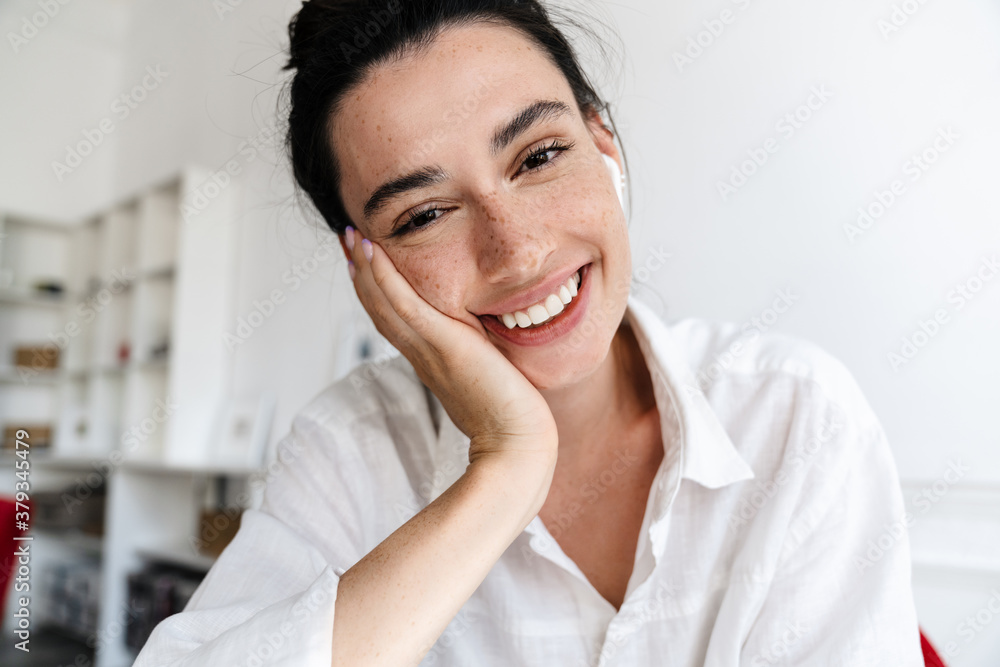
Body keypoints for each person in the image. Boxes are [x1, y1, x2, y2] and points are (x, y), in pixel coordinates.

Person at [134, 1, 925, 665]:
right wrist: (507, 468)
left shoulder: (794, 416)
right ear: (368, 269)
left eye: (540, 155)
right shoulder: (352, 449)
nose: (518, 250)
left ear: (603, 144)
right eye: (426, 214)